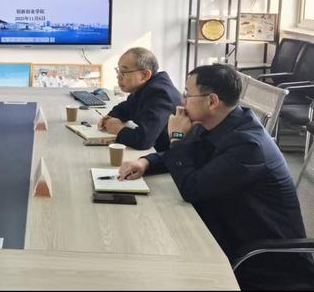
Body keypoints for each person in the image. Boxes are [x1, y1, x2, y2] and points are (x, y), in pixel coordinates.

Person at [118, 64, 314, 290]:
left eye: (187, 95)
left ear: (212, 101)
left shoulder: (248, 146)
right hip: (226, 229)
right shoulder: (219, 123)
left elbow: (192, 188)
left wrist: (177, 138)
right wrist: (145, 162)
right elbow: (191, 154)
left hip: (263, 263)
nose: (182, 102)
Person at [97, 47, 182, 151]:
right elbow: (125, 108)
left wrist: (119, 129)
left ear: (145, 75)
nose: (118, 77)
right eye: (118, 71)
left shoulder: (160, 95)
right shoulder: (146, 88)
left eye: (124, 72)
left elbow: (143, 140)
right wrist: (109, 118)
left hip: (171, 156)